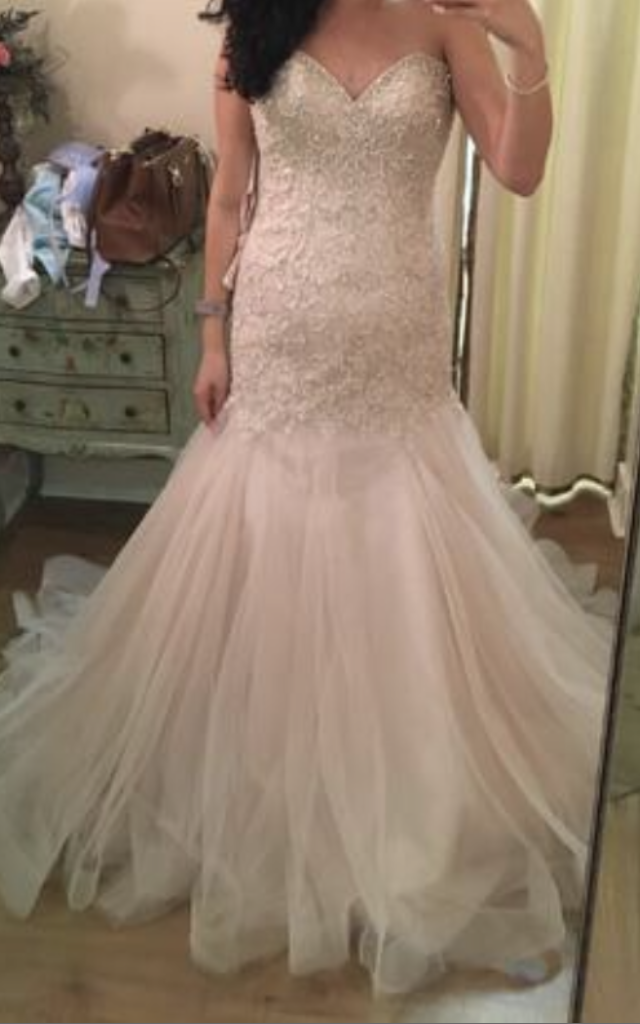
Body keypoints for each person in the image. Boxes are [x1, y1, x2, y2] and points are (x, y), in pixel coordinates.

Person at [0, 0, 612, 998]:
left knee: (398, 544)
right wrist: (211, 334)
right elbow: (230, 199)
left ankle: (398, 784)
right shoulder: (257, 28)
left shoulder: (446, 22)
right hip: (281, 331)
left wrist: (530, 46)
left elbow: (520, 168)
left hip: (396, 338)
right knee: (271, 541)